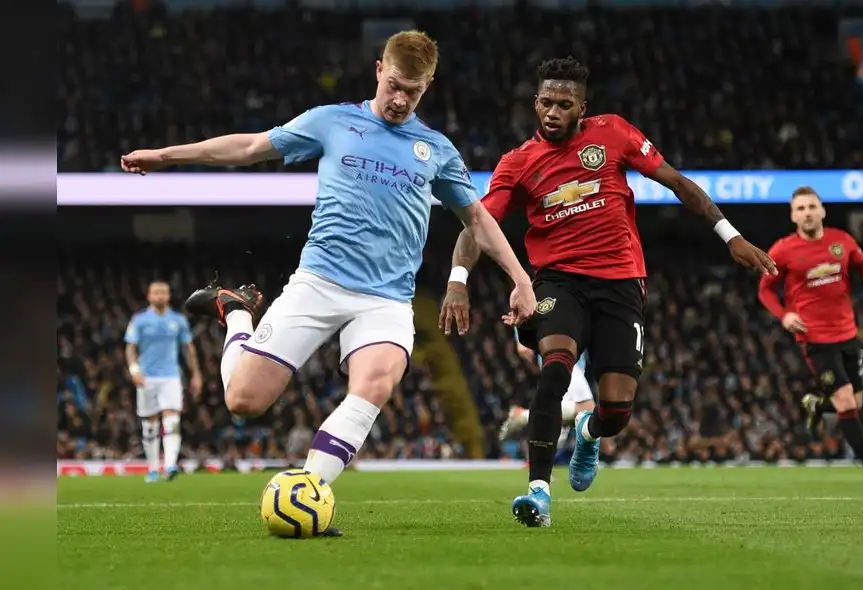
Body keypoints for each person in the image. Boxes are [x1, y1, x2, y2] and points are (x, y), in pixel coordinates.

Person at [120, 30, 536, 535]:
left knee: (375, 384)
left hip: (386, 300)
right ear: (379, 70)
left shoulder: (436, 149)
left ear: (428, 87)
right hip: (318, 283)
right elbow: (250, 147)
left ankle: (310, 494)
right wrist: (166, 156)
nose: (401, 99)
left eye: (415, 91)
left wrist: (520, 278)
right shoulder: (333, 121)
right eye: (396, 85)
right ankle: (236, 312)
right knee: (243, 402)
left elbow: (477, 219)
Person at [438, 56, 776, 527]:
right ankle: (538, 492)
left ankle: (590, 432)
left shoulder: (613, 133)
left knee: (616, 412)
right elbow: (478, 223)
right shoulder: (518, 163)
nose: (553, 112)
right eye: (546, 102)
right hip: (559, 282)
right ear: (535, 103)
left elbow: (677, 182)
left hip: (621, 284)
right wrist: (458, 281)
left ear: (582, 107)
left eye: (564, 103)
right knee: (555, 369)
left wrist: (731, 236)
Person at [757, 186, 863, 485]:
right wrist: (785, 315)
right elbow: (765, 290)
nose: (807, 213)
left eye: (811, 207)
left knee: (855, 403)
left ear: (822, 210)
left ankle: (816, 405)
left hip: (847, 333)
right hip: (814, 338)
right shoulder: (783, 250)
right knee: (845, 402)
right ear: (793, 216)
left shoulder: (841, 241)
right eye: (801, 209)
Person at [124, 281, 202, 483]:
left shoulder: (178, 320)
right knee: (150, 424)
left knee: (172, 419)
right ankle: (152, 468)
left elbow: (188, 348)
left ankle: (169, 465)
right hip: (147, 377)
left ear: (168, 295)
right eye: (156, 292)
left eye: (163, 292)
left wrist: (196, 374)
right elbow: (130, 347)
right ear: (149, 296)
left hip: (171, 377)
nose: (159, 296)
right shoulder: (139, 320)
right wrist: (134, 370)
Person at [498, 329, 595, 447]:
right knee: (587, 408)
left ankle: (533, 459)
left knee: (556, 433)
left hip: (561, 359)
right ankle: (523, 416)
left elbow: (523, 349)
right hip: (564, 357)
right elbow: (523, 349)